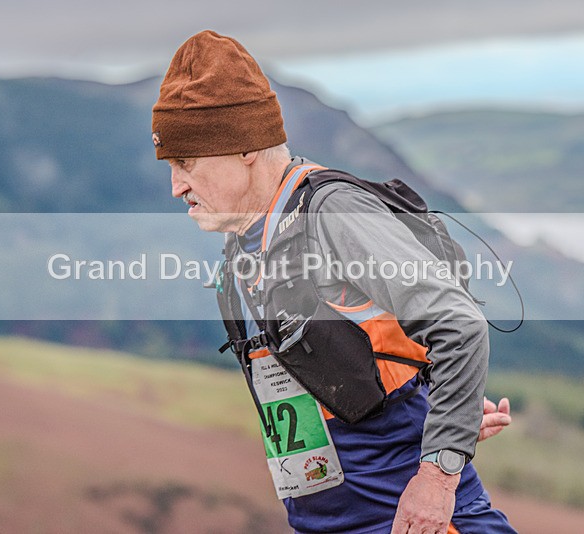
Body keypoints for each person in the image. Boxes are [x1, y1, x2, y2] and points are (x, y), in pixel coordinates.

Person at [152, 30, 515, 534]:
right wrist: (443, 413)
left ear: (244, 147)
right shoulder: (245, 243)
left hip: (412, 520)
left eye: (185, 163)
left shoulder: (331, 214)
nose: (176, 187)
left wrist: (438, 473)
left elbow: (459, 324)